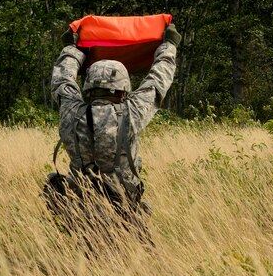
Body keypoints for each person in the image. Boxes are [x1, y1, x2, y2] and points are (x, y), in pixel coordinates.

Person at [43, 22, 181, 226]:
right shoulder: (131, 112)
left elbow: (63, 80)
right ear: (123, 88)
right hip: (124, 206)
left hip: (80, 204)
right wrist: (170, 44)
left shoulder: (72, 112)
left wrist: (72, 49)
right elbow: (157, 80)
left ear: (89, 85)